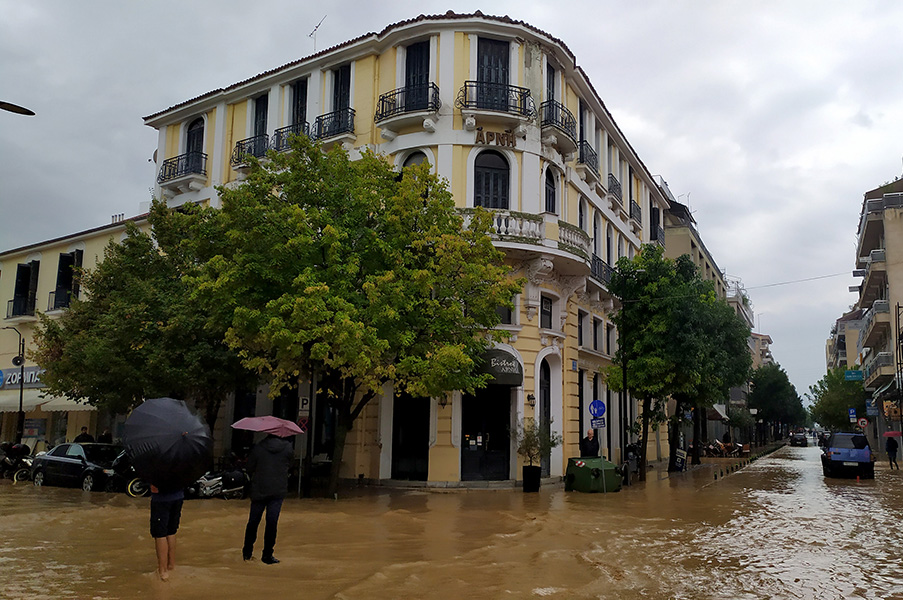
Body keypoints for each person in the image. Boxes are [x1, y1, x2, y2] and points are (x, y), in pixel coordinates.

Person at [242, 433, 294, 564]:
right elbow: (290, 465)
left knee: (253, 522)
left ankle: (247, 553)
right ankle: (267, 555)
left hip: (259, 490)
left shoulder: (258, 448)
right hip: (277, 492)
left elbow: (249, 468)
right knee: (272, 523)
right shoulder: (288, 448)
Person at [150, 484, 184, 581]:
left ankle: (162, 571)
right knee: (171, 531)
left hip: (161, 499)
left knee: (160, 534)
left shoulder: (157, 468)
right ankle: (171, 565)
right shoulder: (179, 468)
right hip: (178, 496)